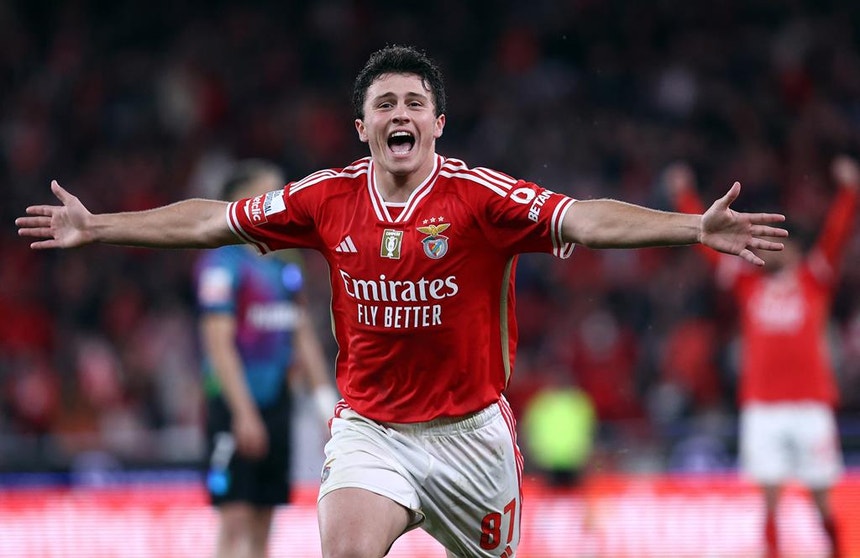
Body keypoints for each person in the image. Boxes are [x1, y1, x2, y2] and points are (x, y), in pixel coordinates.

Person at [17, 45, 787, 558]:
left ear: (437, 123)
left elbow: (584, 218)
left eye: (415, 102)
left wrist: (692, 227)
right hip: (372, 430)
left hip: (471, 435)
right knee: (348, 548)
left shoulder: (481, 198)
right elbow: (209, 221)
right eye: (384, 103)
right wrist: (100, 225)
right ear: (362, 127)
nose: (400, 114)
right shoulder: (324, 199)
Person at [665, 155, 859, 558]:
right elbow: (709, 247)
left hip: (811, 403)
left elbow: (837, 235)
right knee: (769, 498)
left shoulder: (814, 278)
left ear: (798, 249)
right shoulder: (747, 282)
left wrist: (850, 192)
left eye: (785, 244)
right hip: (763, 405)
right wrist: (684, 196)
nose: (777, 251)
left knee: (821, 497)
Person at [196, 159, 339, 558]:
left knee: (264, 519)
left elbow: (301, 335)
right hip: (232, 407)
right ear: (240, 200)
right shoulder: (220, 265)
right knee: (235, 518)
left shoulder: (284, 265)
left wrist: (325, 406)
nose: (280, 200)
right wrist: (243, 413)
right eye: (270, 191)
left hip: (278, 404)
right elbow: (218, 344)